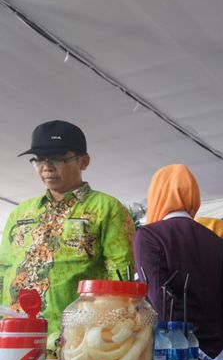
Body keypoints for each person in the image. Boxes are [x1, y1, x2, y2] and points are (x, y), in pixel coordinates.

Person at [0, 120, 134, 337]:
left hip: (73, 336)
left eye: (58, 159)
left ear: (84, 161)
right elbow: (3, 268)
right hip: (13, 334)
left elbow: (120, 276)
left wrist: (109, 331)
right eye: (39, 160)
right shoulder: (22, 212)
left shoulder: (106, 208)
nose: (47, 167)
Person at [134, 164, 223, 360]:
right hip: (218, 353)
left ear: (156, 195)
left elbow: (158, 298)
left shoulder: (148, 236)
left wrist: (188, 342)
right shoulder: (216, 240)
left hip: (173, 355)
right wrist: (219, 345)